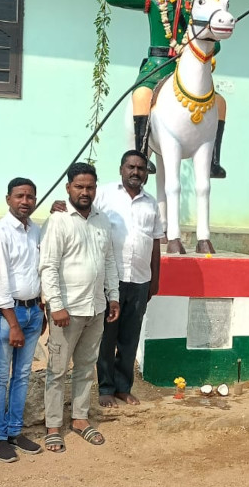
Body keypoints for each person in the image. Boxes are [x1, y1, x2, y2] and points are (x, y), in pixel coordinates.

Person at [107, 0, 229, 178]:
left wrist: (211, 44)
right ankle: (141, 155)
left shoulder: (199, 1)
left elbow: (214, 40)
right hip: (158, 66)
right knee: (141, 96)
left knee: (220, 103)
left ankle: (213, 161)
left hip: (189, 68)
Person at [40, 162, 120, 454]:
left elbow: (109, 261)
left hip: (96, 308)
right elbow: (48, 266)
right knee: (57, 370)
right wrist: (56, 305)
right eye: (79, 187)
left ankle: (79, 419)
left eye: (90, 187)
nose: (85, 192)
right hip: (67, 312)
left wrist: (113, 296)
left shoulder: (102, 220)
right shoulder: (59, 221)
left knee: (86, 367)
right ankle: (52, 426)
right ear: (68, 188)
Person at [95, 151, 164, 408]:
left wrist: (155, 279)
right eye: (131, 167)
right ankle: (105, 388)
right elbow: (81, 211)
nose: (136, 172)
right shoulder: (104, 194)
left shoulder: (151, 204)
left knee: (130, 337)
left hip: (140, 280)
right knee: (107, 336)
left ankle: (123, 387)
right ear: (121, 169)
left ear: (146, 173)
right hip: (111, 280)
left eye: (141, 168)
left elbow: (155, 243)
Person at [0, 178, 46, 463]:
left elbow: (39, 272)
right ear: (8, 198)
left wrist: (41, 310)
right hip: (8, 314)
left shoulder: (36, 231)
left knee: (22, 374)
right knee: (0, 375)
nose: (25, 201)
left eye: (30, 196)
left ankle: (15, 431)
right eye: (19, 196)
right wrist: (14, 324)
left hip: (33, 311)